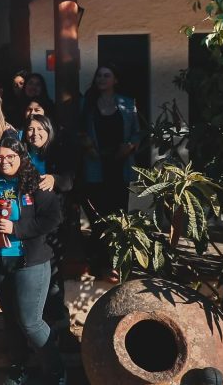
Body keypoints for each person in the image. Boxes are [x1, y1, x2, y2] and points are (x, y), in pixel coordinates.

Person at [0, 137, 65, 385]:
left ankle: (56, 370)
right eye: (0, 157)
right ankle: (18, 367)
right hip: (1, 262)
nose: (4, 162)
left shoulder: (36, 184)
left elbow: (53, 218)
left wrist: (17, 228)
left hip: (30, 261)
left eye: (10, 156)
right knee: (11, 321)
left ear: (21, 157)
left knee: (31, 322)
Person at [79, 64, 140, 283]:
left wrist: (131, 146)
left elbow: (137, 133)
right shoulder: (87, 102)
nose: (102, 79)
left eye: (107, 75)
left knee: (118, 218)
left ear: (115, 80)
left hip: (119, 166)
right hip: (95, 166)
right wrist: (86, 144)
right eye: (99, 75)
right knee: (98, 219)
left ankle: (118, 265)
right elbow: (79, 129)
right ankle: (99, 265)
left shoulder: (128, 103)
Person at [22, 114, 76, 327]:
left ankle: (57, 324)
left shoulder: (58, 152)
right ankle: (37, 322)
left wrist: (54, 178)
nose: (34, 134)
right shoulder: (21, 154)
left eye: (39, 129)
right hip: (28, 221)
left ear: (48, 130)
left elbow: (70, 179)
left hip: (53, 223)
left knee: (53, 274)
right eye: (30, 130)